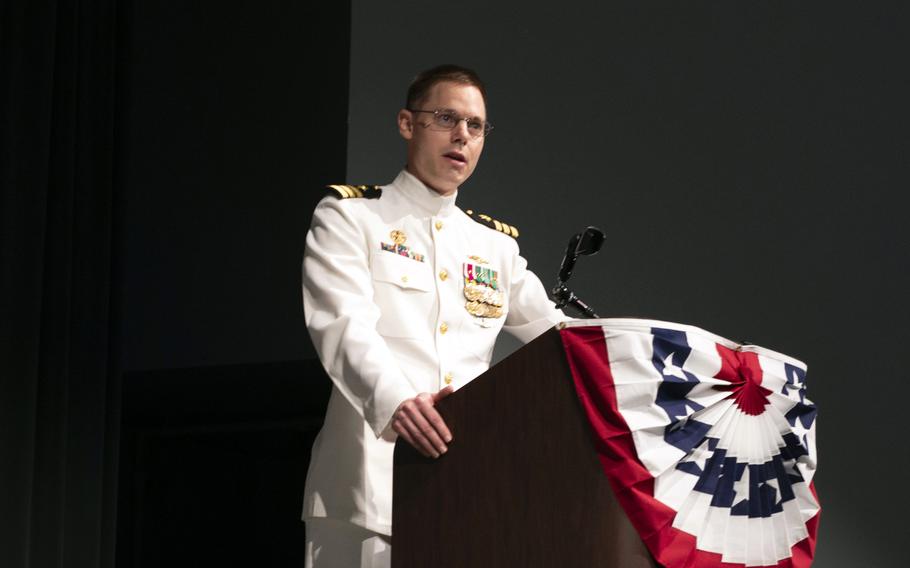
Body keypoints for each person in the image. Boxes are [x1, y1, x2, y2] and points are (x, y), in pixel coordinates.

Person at [301, 64, 567, 567]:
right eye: (446, 118)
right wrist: (398, 401)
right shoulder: (351, 216)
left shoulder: (494, 246)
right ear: (407, 123)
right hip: (366, 487)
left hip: (467, 488)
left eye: (475, 126)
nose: (462, 136)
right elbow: (342, 324)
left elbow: (557, 338)